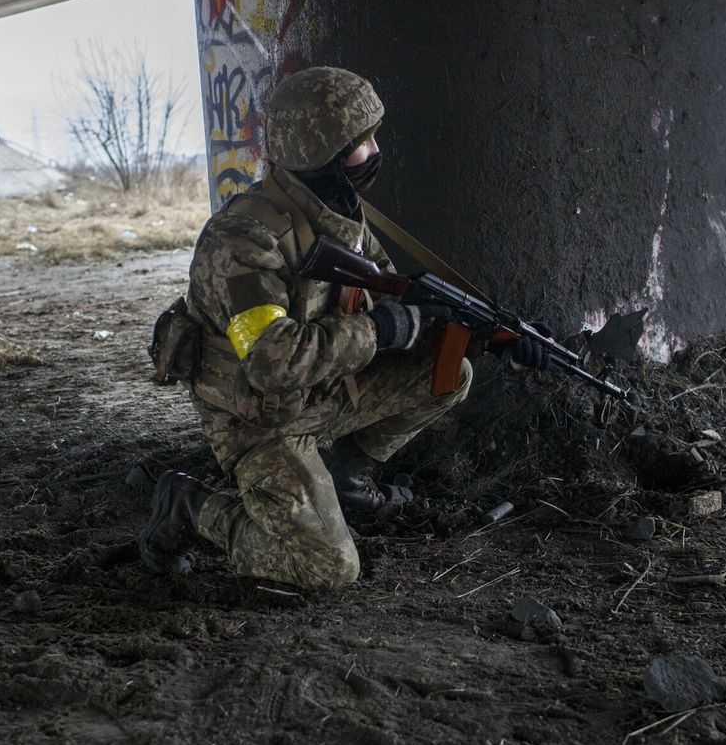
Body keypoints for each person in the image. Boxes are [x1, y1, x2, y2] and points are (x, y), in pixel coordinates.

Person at [140, 66, 548, 591]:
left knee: (449, 373)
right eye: (362, 142)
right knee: (328, 570)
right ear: (322, 152)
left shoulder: (340, 218)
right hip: (260, 422)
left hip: (322, 396)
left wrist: (491, 337)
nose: (375, 151)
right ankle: (190, 505)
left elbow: (401, 304)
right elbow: (272, 362)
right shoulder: (243, 240)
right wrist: (379, 331)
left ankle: (346, 479)